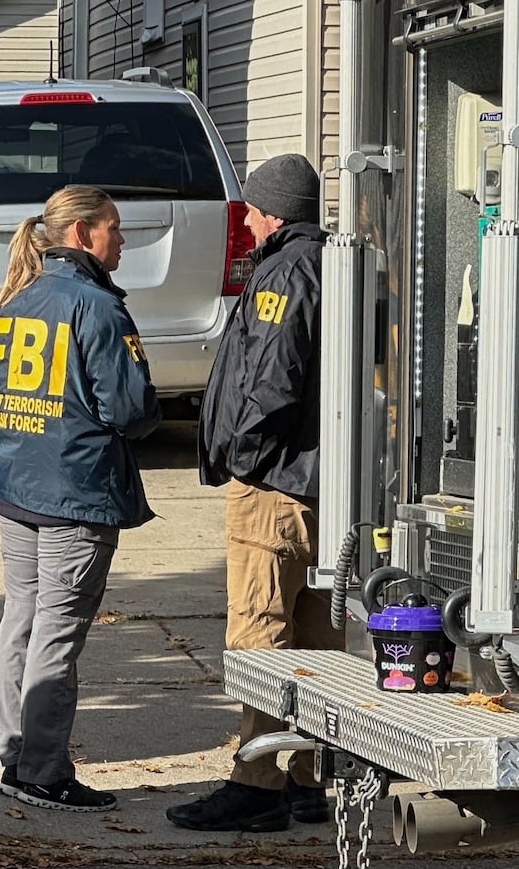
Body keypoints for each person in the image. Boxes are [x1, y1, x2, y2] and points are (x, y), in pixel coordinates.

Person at [0, 184, 161, 813]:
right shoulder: (97, 308)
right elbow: (131, 410)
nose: (122, 238)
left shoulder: (6, 299)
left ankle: (15, 755)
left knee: (22, 617)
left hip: (17, 488)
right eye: (114, 227)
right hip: (76, 495)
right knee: (54, 632)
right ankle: (43, 773)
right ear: (81, 234)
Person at [166, 153, 343, 833]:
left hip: (274, 486)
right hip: (329, 487)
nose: (243, 217)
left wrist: (242, 456)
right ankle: (306, 775)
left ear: (269, 211)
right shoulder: (333, 264)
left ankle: (257, 782)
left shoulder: (283, 273)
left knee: (258, 634)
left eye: (249, 206)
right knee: (314, 638)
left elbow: (269, 380)